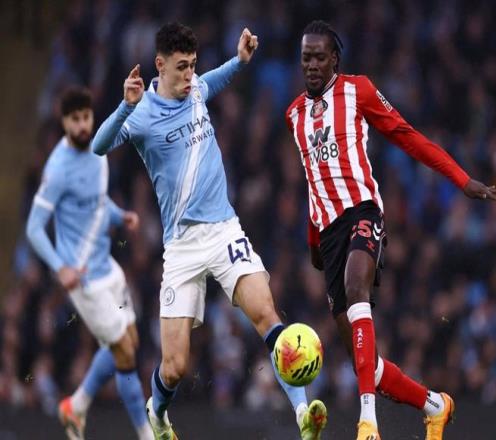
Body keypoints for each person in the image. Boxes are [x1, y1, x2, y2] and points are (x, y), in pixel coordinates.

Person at [92, 22, 328, 440]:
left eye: (193, 65)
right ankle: (157, 414)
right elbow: (98, 145)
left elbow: (211, 81)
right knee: (175, 367)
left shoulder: (196, 88)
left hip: (224, 231)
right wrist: (125, 107)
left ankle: (301, 415)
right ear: (160, 65)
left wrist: (239, 61)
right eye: (181, 67)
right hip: (181, 248)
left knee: (267, 314)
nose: (190, 76)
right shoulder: (142, 113)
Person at [285, 20, 496, 440]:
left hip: (363, 212)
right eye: (305, 57)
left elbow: (407, 136)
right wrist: (314, 241)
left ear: (335, 60)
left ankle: (368, 422)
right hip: (328, 233)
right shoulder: (293, 115)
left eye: (319, 57)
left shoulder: (358, 90)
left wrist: (462, 180)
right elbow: (313, 181)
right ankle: (436, 405)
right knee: (366, 364)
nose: (311, 65)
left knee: (357, 289)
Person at [26, 87, 153, 440]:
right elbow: (34, 228)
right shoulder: (58, 169)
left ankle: (76, 405)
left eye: (86, 118)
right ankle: (146, 434)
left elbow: (95, 200)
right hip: (83, 278)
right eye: (75, 120)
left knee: (130, 341)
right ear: (64, 122)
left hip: (107, 265)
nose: (82, 125)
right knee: (124, 352)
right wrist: (60, 267)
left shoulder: (98, 150)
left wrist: (119, 215)